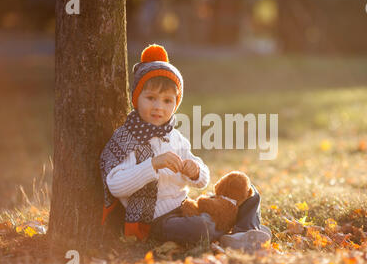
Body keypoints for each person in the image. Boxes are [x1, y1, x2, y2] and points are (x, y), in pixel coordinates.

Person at [99, 44, 270, 251]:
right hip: (158, 220)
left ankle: (245, 231)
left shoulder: (174, 136)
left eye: (167, 100)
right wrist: (151, 165)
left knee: (249, 191)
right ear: (136, 98)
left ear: (175, 103)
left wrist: (196, 171)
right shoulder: (127, 138)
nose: (158, 107)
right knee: (201, 226)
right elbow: (115, 185)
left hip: (187, 207)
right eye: (150, 98)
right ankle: (229, 232)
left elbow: (202, 180)